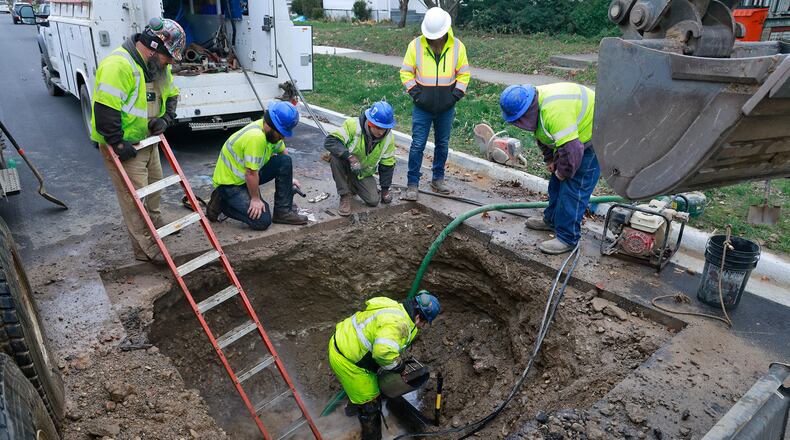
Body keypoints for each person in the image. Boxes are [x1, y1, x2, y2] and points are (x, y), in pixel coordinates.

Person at [91, 17, 185, 262]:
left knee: (155, 185)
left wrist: (165, 119)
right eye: (168, 57)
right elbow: (105, 109)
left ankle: (155, 226)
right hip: (126, 145)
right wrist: (118, 143)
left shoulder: (156, 67)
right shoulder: (118, 65)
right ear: (154, 46)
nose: (169, 63)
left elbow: (172, 94)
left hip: (149, 140)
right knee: (135, 198)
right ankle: (146, 249)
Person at [499, 82, 600, 255]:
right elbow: (542, 135)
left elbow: (573, 151)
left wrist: (563, 171)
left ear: (526, 112)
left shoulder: (554, 114)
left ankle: (568, 238)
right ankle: (552, 220)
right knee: (555, 184)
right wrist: (551, 160)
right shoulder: (537, 108)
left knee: (573, 190)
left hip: (592, 138)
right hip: (572, 141)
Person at [328, 292, 441, 440]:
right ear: (418, 317)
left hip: (345, 341)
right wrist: (398, 366)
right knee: (370, 406)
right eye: (424, 323)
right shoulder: (399, 325)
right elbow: (382, 352)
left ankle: (352, 410)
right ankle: (371, 435)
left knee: (364, 391)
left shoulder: (396, 307)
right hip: (349, 361)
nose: (422, 326)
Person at [399, 7, 470, 201]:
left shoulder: (457, 47)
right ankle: (412, 183)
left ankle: (438, 179)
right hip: (422, 106)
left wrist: (455, 96)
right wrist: (416, 94)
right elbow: (406, 72)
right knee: (417, 145)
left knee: (442, 145)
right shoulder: (415, 46)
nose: (434, 40)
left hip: (446, 107)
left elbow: (464, 74)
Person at [205, 101, 308, 229]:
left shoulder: (270, 133)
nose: (282, 137)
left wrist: (288, 179)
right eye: (281, 132)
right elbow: (250, 173)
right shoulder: (256, 137)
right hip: (230, 184)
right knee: (262, 221)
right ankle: (223, 203)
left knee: (285, 161)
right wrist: (255, 199)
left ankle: (283, 213)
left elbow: (283, 153)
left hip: (246, 176)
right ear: (271, 126)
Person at [324, 101, 397, 216]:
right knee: (335, 156)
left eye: (384, 128)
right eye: (378, 127)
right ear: (369, 122)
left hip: (363, 172)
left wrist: (385, 190)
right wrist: (350, 157)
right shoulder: (353, 125)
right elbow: (330, 141)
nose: (381, 132)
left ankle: (352, 184)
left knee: (373, 201)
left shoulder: (389, 137)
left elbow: (387, 164)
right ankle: (344, 194)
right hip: (346, 163)